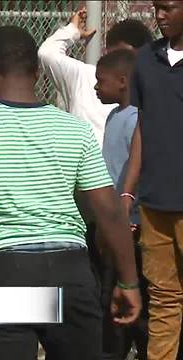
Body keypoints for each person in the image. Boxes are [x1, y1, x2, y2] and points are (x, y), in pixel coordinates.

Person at [0, 25, 141, 360]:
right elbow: (108, 211)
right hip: (71, 272)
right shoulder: (74, 129)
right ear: (36, 73)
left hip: (5, 271)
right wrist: (129, 282)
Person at [122, 1, 183, 359]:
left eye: (169, 7)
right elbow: (142, 128)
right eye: (157, 7)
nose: (159, 15)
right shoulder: (147, 58)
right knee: (163, 298)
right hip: (154, 204)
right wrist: (127, 191)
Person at [95, 49, 148, 360]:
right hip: (113, 223)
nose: (96, 88)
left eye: (101, 82)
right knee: (108, 295)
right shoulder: (115, 116)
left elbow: (137, 170)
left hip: (133, 224)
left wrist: (132, 214)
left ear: (123, 81)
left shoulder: (137, 120)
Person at [38, 6, 153, 145]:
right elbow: (47, 53)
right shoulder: (83, 77)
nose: (127, 66)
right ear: (107, 52)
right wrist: (73, 31)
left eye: (134, 59)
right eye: (120, 56)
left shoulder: (152, 88)